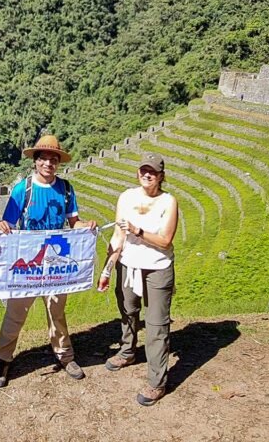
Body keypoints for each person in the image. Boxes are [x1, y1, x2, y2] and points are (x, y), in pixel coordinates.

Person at [0, 135, 96, 386]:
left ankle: (64, 355)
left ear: (58, 163)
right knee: (15, 314)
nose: (48, 163)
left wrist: (86, 226)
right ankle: (3, 360)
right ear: (36, 162)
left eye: (53, 159)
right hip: (28, 263)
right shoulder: (23, 189)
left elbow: (73, 221)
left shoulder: (66, 189)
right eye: (44, 159)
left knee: (56, 312)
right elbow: (10, 223)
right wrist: (2, 225)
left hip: (55, 263)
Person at [100, 152, 178, 406]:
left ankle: (157, 381)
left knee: (156, 324)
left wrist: (138, 231)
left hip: (157, 267)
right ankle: (127, 351)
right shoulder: (127, 197)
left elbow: (166, 240)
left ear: (161, 177)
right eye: (144, 170)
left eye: (153, 172)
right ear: (138, 172)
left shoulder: (169, 201)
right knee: (128, 309)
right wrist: (107, 267)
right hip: (128, 263)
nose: (147, 174)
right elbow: (117, 235)